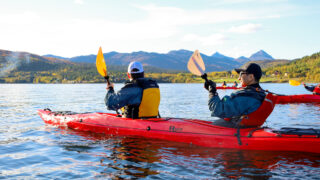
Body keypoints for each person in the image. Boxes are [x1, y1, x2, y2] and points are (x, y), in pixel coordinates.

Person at [202, 63, 276, 128]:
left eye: (241, 74)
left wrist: (212, 92)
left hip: (238, 129)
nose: (239, 78)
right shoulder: (260, 93)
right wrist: (212, 91)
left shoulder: (246, 96)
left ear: (251, 77)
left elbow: (218, 110)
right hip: (248, 126)